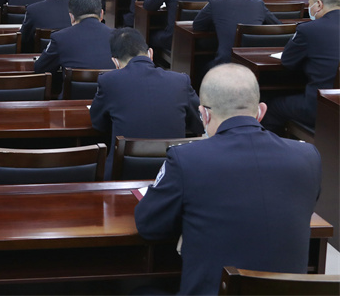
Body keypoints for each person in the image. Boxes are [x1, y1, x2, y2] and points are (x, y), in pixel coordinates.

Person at [135, 64, 321, 295]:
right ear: (261, 111)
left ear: (204, 114)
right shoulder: (307, 156)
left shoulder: (186, 159)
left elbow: (149, 226)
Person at [89, 28, 203, 178]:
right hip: (173, 171)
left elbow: (98, 124)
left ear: (115, 62)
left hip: (124, 174)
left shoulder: (109, 81)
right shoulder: (180, 81)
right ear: (150, 53)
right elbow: (198, 124)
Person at [263, 0, 340, 133]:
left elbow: (288, 61)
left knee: (271, 107)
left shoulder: (309, 30)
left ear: (318, 4)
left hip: (321, 107)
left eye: (309, 3)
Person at [193, 0, 280, 68]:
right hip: (253, 63)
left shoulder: (214, 2)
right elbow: (277, 26)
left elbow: (197, 25)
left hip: (225, 63)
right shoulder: (258, 3)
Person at [34, 0, 114, 74]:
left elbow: (40, 68)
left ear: (71, 17)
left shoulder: (60, 38)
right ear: (101, 14)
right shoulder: (118, 36)